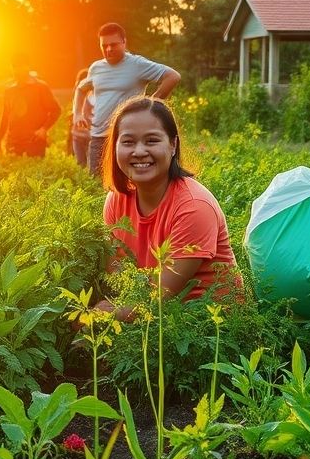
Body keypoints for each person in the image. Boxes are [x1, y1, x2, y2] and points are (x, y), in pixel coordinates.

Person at [95, 96, 243, 320]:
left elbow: (160, 294)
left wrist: (104, 314)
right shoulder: (116, 200)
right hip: (159, 317)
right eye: (128, 142)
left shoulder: (194, 206)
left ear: (173, 145)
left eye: (152, 140)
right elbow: (117, 272)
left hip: (211, 327)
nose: (139, 151)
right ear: (115, 146)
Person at [73, 23, 180, 176]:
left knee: (127, 181)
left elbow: (173, 76)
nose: (109, 49)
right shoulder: (96, 68)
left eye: (113, 44)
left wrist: (150, 103)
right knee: (95, 184)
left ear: (124, 42)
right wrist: (77, 114)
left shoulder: (137, 64)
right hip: (99, 136)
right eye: (105, 46)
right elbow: (81, 89)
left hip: (128, 137)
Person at [0, 55, 61, 157]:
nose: (18, 71)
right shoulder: (9, 90)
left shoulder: (40, 87)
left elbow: (56, 110)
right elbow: (5, 117)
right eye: (14, 67)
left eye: (21, 67)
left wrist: (44, 129)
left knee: (35, 171)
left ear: (28, 67)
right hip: (13, 143)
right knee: (14, 172)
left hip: (34, 141)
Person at [68, 67, 93, 168]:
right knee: (81, 165)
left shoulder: (94, 96)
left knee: (90, 166)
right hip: (77, 136)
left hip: (90, 137)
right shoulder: (77, 96)